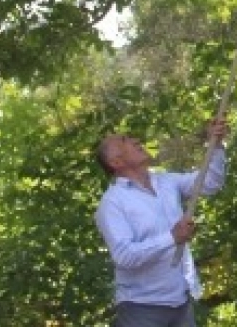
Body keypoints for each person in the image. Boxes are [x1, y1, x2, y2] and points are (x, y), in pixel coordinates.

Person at [95, 117, 229, 327]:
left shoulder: (166, 182)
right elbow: (124, 256)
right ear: (116, 162)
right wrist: (172, 238)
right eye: (124, 140)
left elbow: (210, 183)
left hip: (181, 302)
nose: (135, 140)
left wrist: (216, 144)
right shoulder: (112, 203)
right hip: (141, 309)